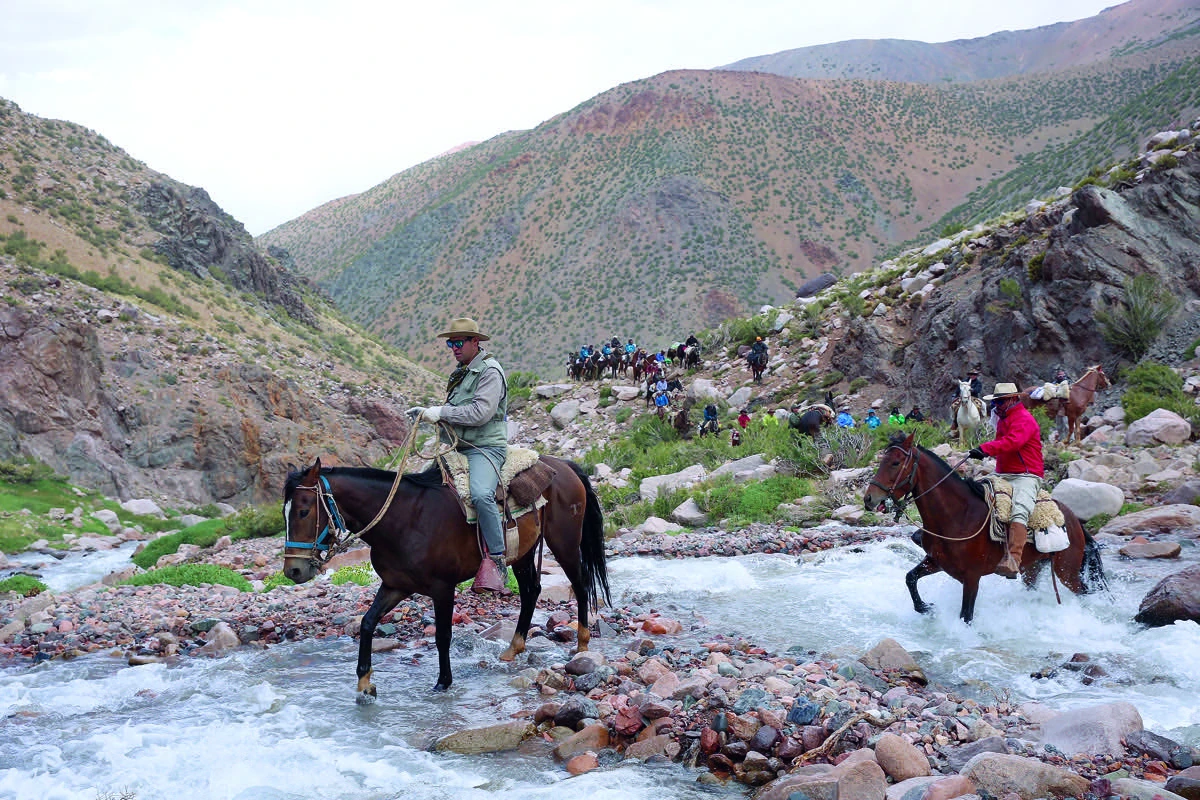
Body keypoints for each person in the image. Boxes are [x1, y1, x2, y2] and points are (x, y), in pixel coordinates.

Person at [410, 317, 509, 592]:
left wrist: (440, 412)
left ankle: (498, 561)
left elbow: (480, 413)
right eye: (450, 343)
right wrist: (426, 415)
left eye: (458, 342)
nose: (453, 347)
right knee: (420, 489)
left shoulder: (490, 372)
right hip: (458, 446)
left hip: (485, 447)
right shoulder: (462, 372)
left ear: (475, 342)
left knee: (480, 494)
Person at [968, 381, 1044, 579]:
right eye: (995, 402)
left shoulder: (1024, 418)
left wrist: (985, 449)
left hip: (1026, 474)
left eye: (1000, 402)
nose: (996, 406)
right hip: (1004, 473)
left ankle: (1014, 559)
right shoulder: (1004, 417)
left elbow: (1013, 442)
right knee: (973, 492)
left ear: (1012, 399)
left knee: (1019, 509)